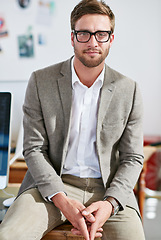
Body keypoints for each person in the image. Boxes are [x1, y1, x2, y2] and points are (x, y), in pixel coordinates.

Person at [0, 0, 145, 239]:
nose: (92, 42)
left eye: (101, 34)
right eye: (84, 34)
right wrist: (62, 200)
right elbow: (34, 149)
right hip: (51, 185)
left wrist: (109, 204)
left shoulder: (128, 89)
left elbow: (133, 158)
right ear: (72, 37)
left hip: (109, 188)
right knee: (9, 235)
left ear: (111, 38)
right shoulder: (40, 81)